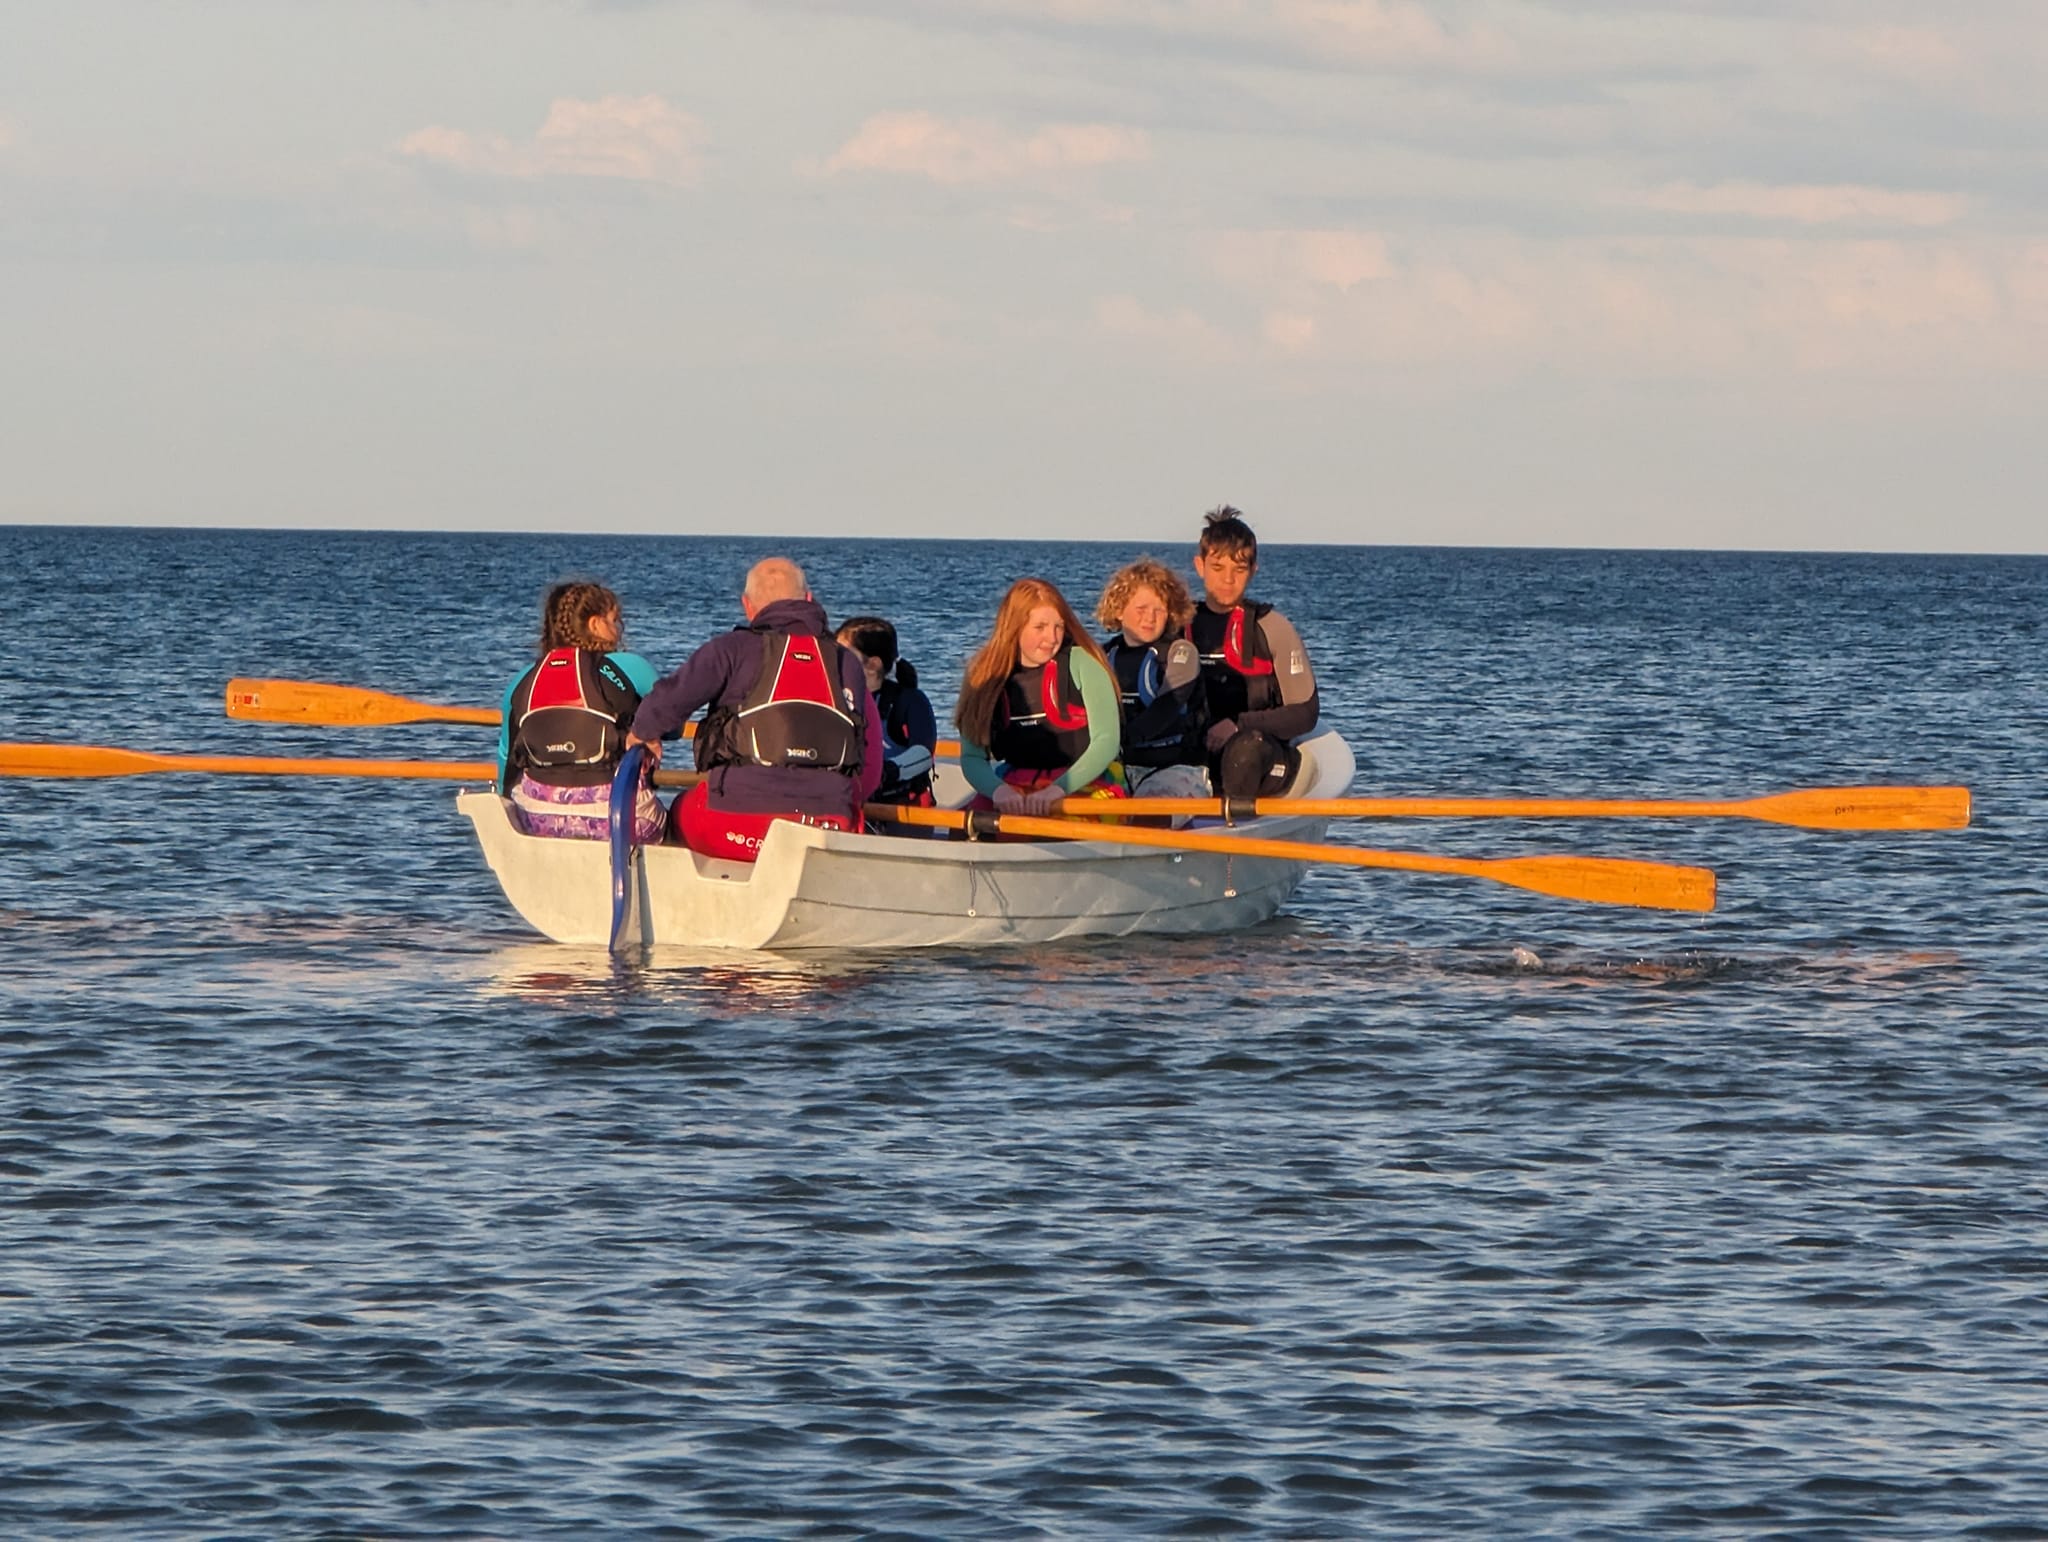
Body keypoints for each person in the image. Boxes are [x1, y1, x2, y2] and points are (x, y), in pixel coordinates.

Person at [626, 557, 883, 862]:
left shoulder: (731, 649)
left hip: (735, 825)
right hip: (829, 825)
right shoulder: (846, 662)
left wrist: (642, 734)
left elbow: (663, 704)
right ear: (809, 599)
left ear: (748, 606)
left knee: (679, 811)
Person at [497, 580, 666, 842]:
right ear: (595, 625)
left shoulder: (523, 679)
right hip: (619, 819)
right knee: (676, 820)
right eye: (614, 620)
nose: (619, 630)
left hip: (537, 819)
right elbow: (673, 726)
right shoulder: (631, 667)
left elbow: (507, 758)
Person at [954, 578, 1122, 817]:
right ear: (1015, 627)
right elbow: (972, 757)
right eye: (1040, 627)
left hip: (1084, 781)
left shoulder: (1083, 663)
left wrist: (1057, 790)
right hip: (1015, 783)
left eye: (1059, 627)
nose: (1052, 638)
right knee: (966, 827)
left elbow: (1106, 741)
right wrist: (999, 791)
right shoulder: (982, 674)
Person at [1187, 506, 1319, 798]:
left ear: (1253, 571)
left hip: (1258, 754)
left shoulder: (1272, 627)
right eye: (1218, 568)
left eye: (1239, 569)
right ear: (1200, 566)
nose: (1228, 579)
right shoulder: (1179, 626)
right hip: (1199, 751)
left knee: (1245, 752)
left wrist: (1238, 725)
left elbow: (1305, 713)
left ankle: (1237, 831)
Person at [1095, 558, 1210, 800]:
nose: (1150, 617)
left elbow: (1165, 709)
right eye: (1141, 609)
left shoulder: (1180, 653)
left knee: (1146, 816)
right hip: (1116, 768)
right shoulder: (1102, 656)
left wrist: (1117, 742)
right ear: (1118, 610)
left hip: (1175, 769)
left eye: (1159, 610)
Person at [836, 615, 938, 806]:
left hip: (898, 805)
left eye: (844, 655)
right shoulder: (837, 699)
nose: (836, 660)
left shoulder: (910, 701)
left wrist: (887, 772)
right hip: (850, 799)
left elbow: (924, 754)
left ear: (873, 664)